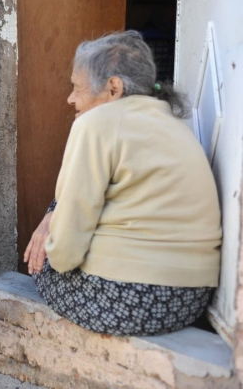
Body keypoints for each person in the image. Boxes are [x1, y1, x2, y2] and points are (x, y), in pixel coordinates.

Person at [23, 31, 222, 337]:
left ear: (113, 87)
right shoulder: (175, 124)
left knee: (42, 263)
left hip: (128, 299)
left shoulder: (94, 124)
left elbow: (65, 252)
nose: (70, 99)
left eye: (77, 88)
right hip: (190, 300)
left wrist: (51, 236)